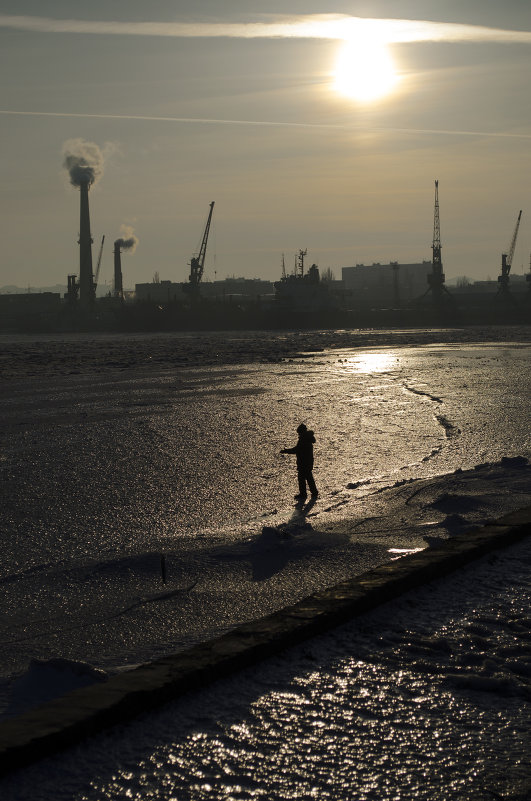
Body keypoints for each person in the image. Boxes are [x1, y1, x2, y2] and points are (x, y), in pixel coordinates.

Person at [280, 423, 318, 500]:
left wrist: (286, 451)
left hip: (304, 463)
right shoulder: (307, 438)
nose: (298, 434)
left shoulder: (303, 439)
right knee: (308, 477)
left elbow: (297, 450)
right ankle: (313, 492)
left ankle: (304, 494)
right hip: (307, 462)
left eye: (299, 432)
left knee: (302, 479)